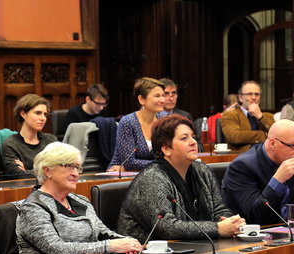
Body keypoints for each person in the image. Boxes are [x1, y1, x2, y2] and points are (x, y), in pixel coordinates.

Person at [117, 114, 245, 242]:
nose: (193, 142)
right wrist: (216, 228)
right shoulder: (152, 179)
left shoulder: (202, 170)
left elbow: (219, 209)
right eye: (184, 138)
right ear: (166, 149)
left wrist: (230, 223)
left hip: (194, 244)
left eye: (193, 137)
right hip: (145, 253)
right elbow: (166, 228)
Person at [16, 142, 142, 254]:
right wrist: (109, 246)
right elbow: (58, 250)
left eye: (77, 167)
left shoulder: (81, 200)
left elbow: (102, 233)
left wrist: (126, 242)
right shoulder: (33, 207)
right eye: (69, 166)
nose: (76, 174)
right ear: (47, 171)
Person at [221, 119, 294, 225]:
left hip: (286, 232)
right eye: (292, 146)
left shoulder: (288, 160)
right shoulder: (242, 167)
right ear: (273, 144)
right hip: (251, 236)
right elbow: (256, 217)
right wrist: (277, 180)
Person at [108, 77, 165, 172]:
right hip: (120, 177)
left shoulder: (163, 121)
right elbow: (129, 163)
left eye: (163, 95)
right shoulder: (128, 122)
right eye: (157, 96)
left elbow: (169, 156)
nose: (163, 100)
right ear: (141, 99)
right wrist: (162, 164)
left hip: (154, 174)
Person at [2, 94, 57, 175]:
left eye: (45, 114)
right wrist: (47, 170)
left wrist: (27, 172)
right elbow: (18, 175)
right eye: (38, 113)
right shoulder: (11, 144)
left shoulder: (51, 140)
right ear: (23, 114)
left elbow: (60, 170)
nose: (43, 118)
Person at [221, 80, 275, 151]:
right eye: (249, 94)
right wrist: (263, 135)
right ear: (240, 98)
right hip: (240, 156)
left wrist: (260, 117)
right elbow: (235, 137)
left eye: (257, 94)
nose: (253, 97)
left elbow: (277, 135)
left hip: (266, 156)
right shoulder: (229, 115)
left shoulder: (268, 116)